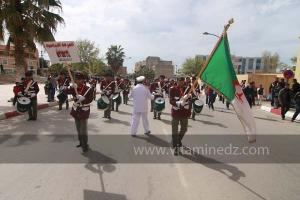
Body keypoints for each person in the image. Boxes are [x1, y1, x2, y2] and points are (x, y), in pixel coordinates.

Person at [64, 72, 94, 153]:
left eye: (79, 79)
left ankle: (85, 145)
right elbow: (66, 92)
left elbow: (91, 99)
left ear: (83, 80)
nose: (77, 81)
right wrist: (70, 87)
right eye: (76, 79)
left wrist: (83, 99)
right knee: (78, 128)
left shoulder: (88, 89)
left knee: (83, 130)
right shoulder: (74, 88)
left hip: (84, 110)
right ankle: (81, 142)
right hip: (76, 110)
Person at [169, 77, 192, 156]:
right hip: (175, 113)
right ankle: (176, 147)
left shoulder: (189, 89)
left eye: (182, 81)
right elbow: (171, 100)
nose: (181, 83)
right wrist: (178, 103)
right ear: (177, 81)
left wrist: (190, 99)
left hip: (185, 113)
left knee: (184, 129)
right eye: (180, 81)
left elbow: (192, 100)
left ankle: (178, 140)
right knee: (174, 130)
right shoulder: (173, 89)